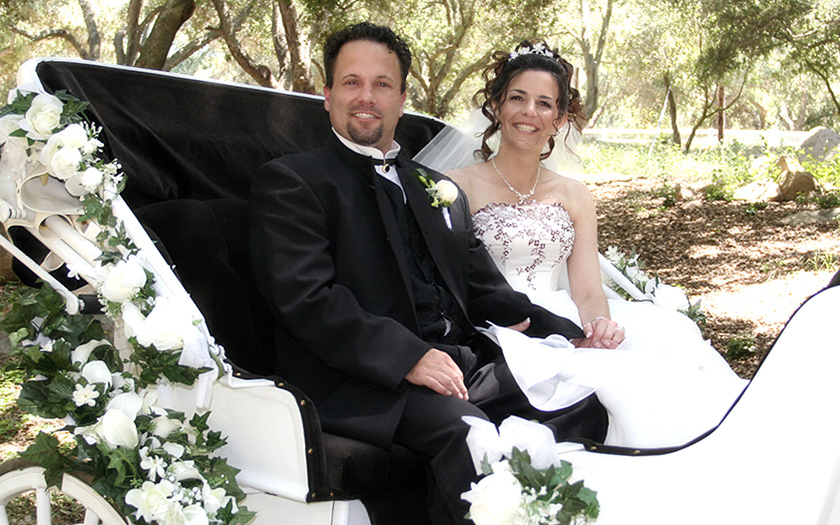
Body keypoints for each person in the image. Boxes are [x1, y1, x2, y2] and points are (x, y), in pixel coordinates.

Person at [248, 23, 607, 524]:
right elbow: (307, 300)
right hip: (364, 379)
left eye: (382, 85)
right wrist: (409, 357)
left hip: (457, 362)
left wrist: (569, 337)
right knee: (471, 436)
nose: (366, 97)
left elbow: (484, 287)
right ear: (327, 95)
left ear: (401, 98)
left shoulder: (433, 186)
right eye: (352, 82)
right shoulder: (293, 182)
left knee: (579, 399)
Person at [444, 40, 748, 448]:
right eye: (517, 98)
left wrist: (597, 328)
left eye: (545, 104)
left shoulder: (574, 194)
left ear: (559, 119)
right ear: (496, 106)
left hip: (563, 319)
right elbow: (443, 279)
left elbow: (587, 289)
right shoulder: (454, 185)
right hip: (495, 326)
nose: (529, 112)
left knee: (664, 365)